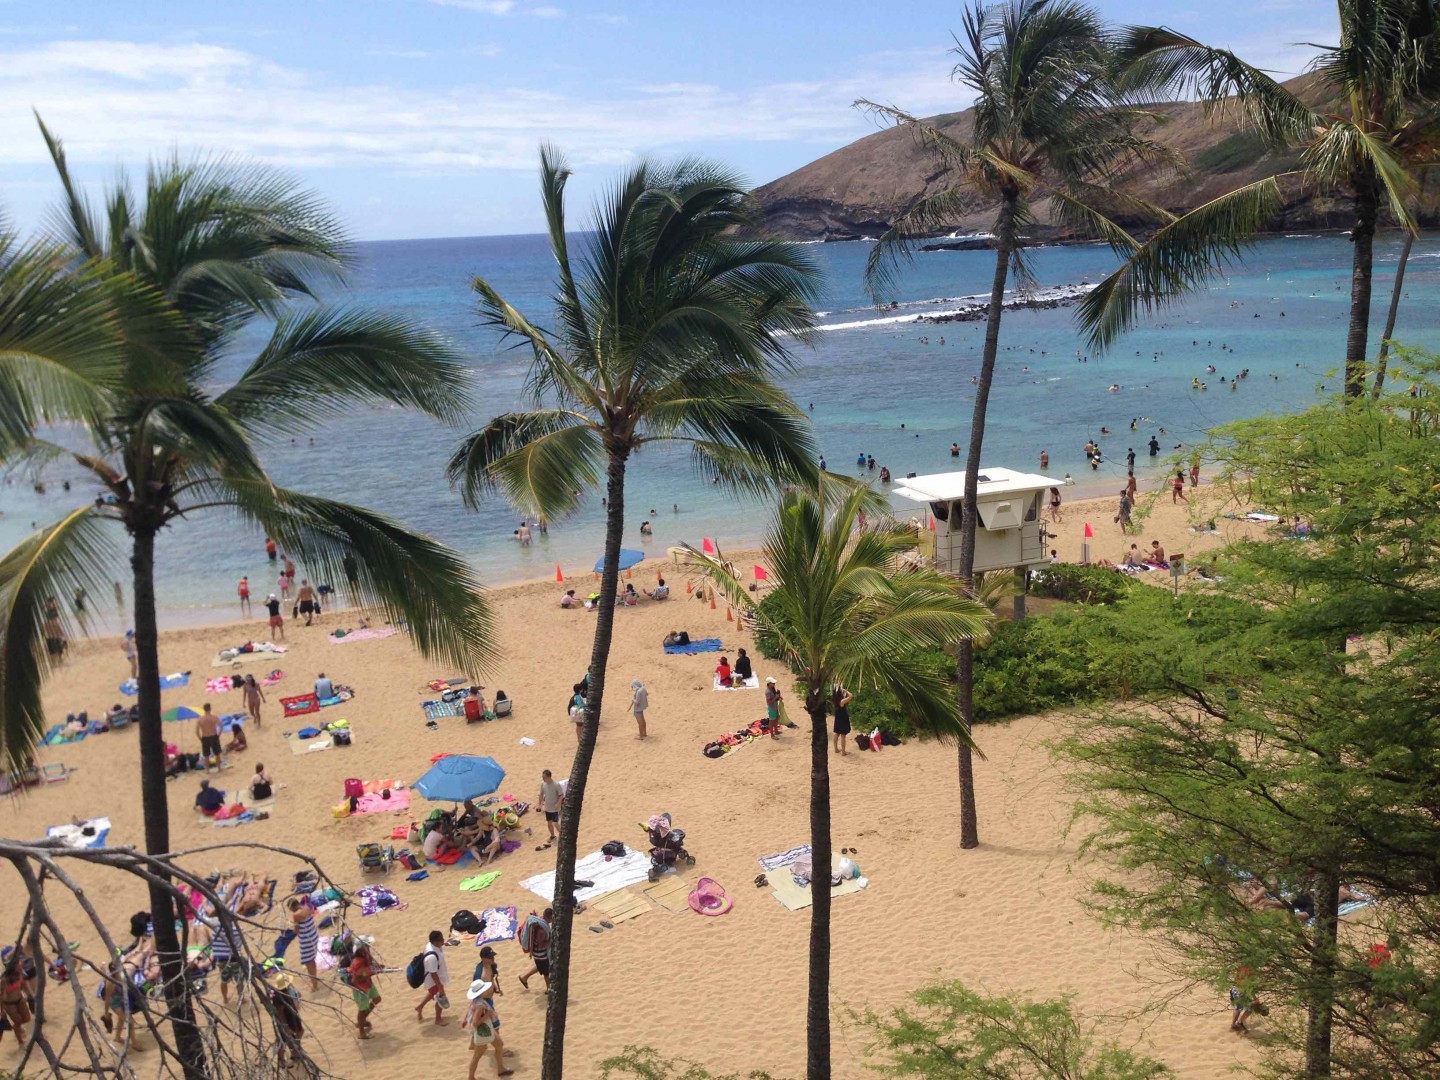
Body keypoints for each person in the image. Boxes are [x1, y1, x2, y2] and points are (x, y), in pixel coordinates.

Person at [464, 980, 512, 1078]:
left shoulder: (475, 1001)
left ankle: (501, 1069)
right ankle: (471, 1077)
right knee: (477, 1056)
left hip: (487, 1029)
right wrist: (487, 1014)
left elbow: (469, 1011)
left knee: (499, 1044)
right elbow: (475, 1023)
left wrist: (465, 1019)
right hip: (483, 1031)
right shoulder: (480, 1006)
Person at [269, 970, 304, 1067]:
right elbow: (280, 1013)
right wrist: (285, 1026)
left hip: (292, 1015)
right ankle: (281, 1061)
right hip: (285, 1020)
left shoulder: (287, 991)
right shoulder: (277, 997)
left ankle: (295, 1051)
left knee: (300, 1031)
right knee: (283, 1041)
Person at [416, 930, 450, 1025]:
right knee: (441, 998)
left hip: (437, 975)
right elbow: (433, 974)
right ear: (434, 941)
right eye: (441, 939)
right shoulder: (432, 957)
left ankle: (420, 1007)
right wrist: (440, 986)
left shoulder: (432, 946)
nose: (443, 940)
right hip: (434, 979)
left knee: (432, 993)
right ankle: (438, 1019)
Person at [349, 941, 381, 1038]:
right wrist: (371, 973)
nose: (369, 948)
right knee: (362, 1009)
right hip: (361, 988)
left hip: (368, 984)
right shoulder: (358, 962)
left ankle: (361, 1021)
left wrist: (377, 968)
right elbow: (356, 979)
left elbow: (370, 968)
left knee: (377, 999)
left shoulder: (366, 957)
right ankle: (361, 1032)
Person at [286, 897, 319, 990]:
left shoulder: (296, 915)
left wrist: (292, 925)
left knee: (309, 963)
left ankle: (315, 985)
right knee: (312, 960)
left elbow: (296, 930)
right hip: (313, 936)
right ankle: (315, 979)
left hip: (307, 941)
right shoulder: (307, 907)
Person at [517, 909, 551, 990]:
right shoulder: (541, 931)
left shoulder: (540, 921)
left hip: (536, 953)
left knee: (540, 966)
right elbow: (541, 945)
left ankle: (524, 977)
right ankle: (548, 989)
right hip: (540, 954)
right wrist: (550, 940)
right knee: (546, 972)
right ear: (549, 918)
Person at [0, 958, 31, 1045]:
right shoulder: (4, 980)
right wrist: (2, 1010)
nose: (20, 966)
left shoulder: (20, 974)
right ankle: (20, 1041)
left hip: (20, 999)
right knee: (18, 1021)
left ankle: (17, 1027)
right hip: (9, 1004)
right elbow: (1, 997)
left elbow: (23, 984)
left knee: (27, 1018)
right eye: (18, 965)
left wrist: (28, 994)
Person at [537, 769, 563, 848]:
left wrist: (558, 803)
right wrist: (539, 804)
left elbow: (561, 795)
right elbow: (541, 794)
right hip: (547, 808)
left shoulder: (556, 785)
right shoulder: (543, 784)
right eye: (542, 777)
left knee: (556, 823)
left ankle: (562, 837)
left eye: (544, 777)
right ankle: (552, 836)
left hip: (555, 808)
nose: (543, 778)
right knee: (549, 823)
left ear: (549, 777)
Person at [832, 685, 853, 756]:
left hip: (838, 717)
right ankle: (843, 752)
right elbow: (851, 696)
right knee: (843, 735)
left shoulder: (835, 700)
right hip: (842, 718)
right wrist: (845, 690)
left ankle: (836, 749)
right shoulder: (841, 701)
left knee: (837, 733)